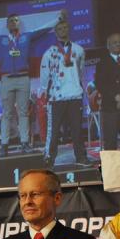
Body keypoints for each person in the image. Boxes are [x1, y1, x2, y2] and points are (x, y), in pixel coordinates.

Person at [39, 19, 88, 168]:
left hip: (75, 95)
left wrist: (79, 87)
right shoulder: (49, 53)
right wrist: (45, 92)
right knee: (53, 131)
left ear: (69, 29)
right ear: (55, 32)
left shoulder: (79, 50)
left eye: (65, 28)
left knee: (77, 129)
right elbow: (44, 75)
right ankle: (49, 158)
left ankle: (81, 157)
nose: (63, 31)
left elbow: (81, 71)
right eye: (60, 29)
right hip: (56, 97)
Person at [0, 15, 32, 157]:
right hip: (6, 79)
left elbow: (44, 30)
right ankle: (4, 145)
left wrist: (57, 20)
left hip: (23, 78)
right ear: (7, 24)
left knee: (23, 112)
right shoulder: (0, 39)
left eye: (16, 20)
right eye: (11, 21)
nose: (14, 22)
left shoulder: (26, 37)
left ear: (19, 23)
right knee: (6, 114)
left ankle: (25, 143)